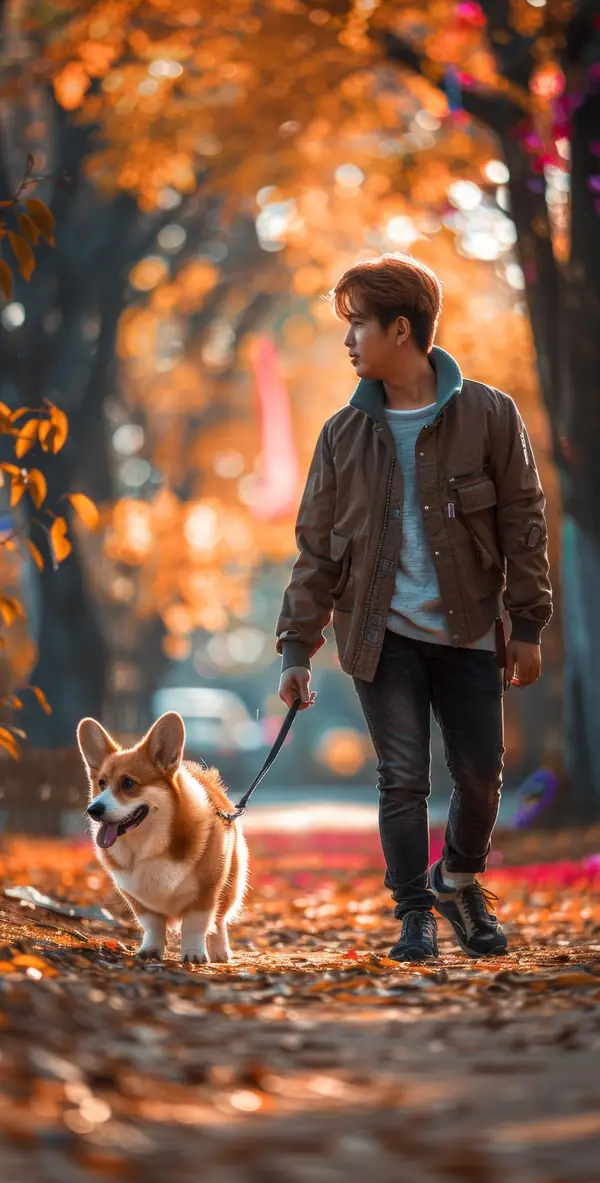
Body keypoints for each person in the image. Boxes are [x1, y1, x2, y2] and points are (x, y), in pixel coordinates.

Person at [276, 253, 552, 962]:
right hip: (379, 635)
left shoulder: (489, 414)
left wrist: (527, 625)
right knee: (402, 778)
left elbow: (524, 521)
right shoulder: (343, 435)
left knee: (479, 778)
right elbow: (315, 550)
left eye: (357, 325)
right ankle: (414, 916)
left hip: (469, 629)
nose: (347, 341)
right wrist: (297, 649)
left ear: (401, 330)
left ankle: (457, 878)